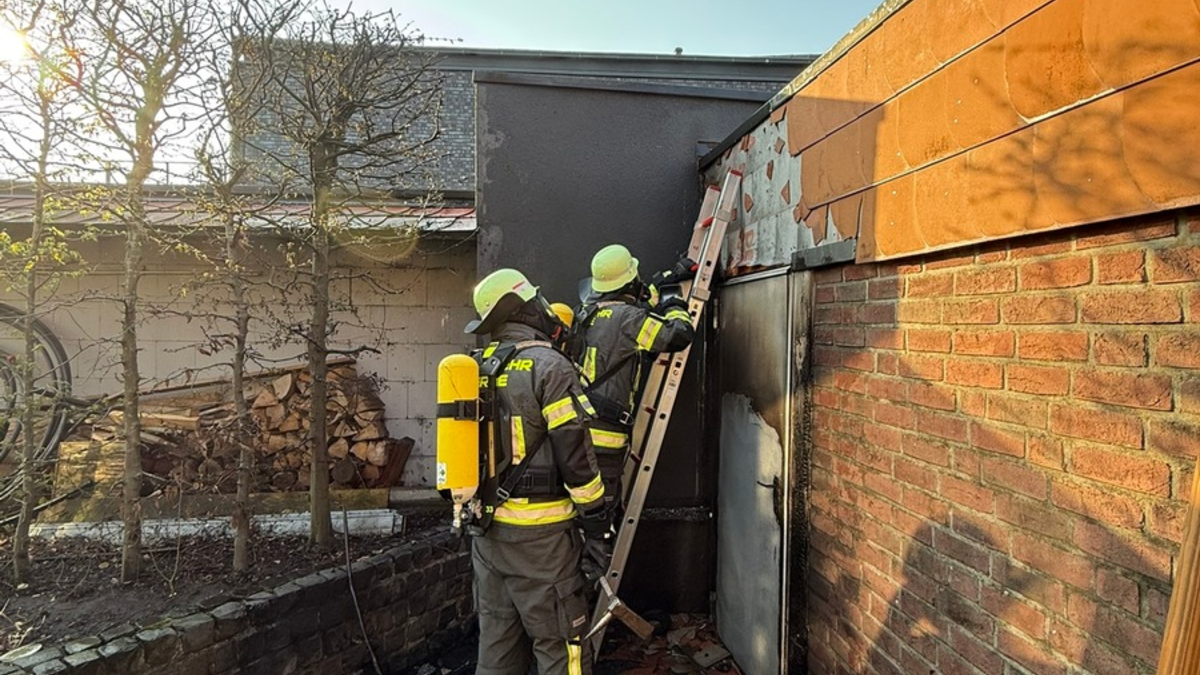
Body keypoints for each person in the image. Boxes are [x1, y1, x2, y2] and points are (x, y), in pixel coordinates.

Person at [464, 268, 612, 675]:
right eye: (538, 300)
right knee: (562, 648)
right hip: (542, 543)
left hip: (487, 536)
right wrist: (598, 523)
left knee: (497, 647)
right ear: (527, 308)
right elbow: (576, 457)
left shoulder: (475, 367)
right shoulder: (551, 367)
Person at [570, 244, 696, 501]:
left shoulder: (587, 311)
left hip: (581, 428)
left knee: (586, 504)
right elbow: (678, 333)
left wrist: (666, 278)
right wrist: (672, 302)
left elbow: (633, 302)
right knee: (603, 506)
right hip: (606, 438)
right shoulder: (628, 319)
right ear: (629, 281)